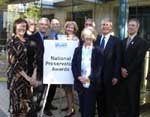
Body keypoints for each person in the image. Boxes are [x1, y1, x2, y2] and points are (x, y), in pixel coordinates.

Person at [6, 18, 38, 117]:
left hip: (29, 79)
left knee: (26, 107)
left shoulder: (29, 41)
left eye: (24, 26)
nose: (22, 28)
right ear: (15, 27)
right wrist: (28, 78)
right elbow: (14, 63)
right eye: (20, 26)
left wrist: (33, 76)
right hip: (16, 80)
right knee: (16, 108)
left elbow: (35, 59)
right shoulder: (12, 42)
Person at [118, 18, 148, 117]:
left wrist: (127, 71)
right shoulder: (123, 41)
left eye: (133, 25)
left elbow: (138, 60)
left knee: (133, 100)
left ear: (137, 28)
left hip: (133, 77)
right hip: (122, 76)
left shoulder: (142, 42)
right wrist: (121, 69)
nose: (130, 27)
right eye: (129, 25)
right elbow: (120, 57)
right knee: (123, 100)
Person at [72, 27, 103, 117]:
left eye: (90, 35)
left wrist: (89, 78)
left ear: (94, 36)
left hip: (92, 83)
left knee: (89, 108)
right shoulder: (77, 50)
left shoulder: (98, 50)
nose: (88, 37)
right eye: (86, 35)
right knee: (82, 107)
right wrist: (78, 77)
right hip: (80, 82)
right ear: (83, 37)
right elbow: (73, 65)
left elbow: (99, 67)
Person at [94, 18, 121, 117]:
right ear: (100, 26)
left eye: (107, 25)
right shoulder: (96, 39)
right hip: (97, 77)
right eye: (103, 24)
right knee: (99, 101)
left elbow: (118, 60)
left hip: (110, 77)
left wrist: (116, 76)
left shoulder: (116, 41)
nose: (105, 26)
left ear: (111, 26)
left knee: (110, 102)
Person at [28, 17, 50, 115]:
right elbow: (31, 57)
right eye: (42, 24)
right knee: (35, 96)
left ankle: (35, 112)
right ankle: (32, 114)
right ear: (38, 25)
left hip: (47, 71)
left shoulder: (49, 38)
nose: (44, 26)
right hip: (37, 72)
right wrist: (33, 73)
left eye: (46, 24)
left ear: (48, 26)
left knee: (41, 95)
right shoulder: (33, 38)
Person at [59, 21, 79, 117]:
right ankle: (70, 106)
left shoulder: (77, 39)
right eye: (68, 27)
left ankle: (71, 109)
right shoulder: (61, 38)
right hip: (63, 67)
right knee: (66, 89)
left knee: (71, 89)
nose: (70, 29)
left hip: (72, 67)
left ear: (74, 29)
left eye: (72, 28)